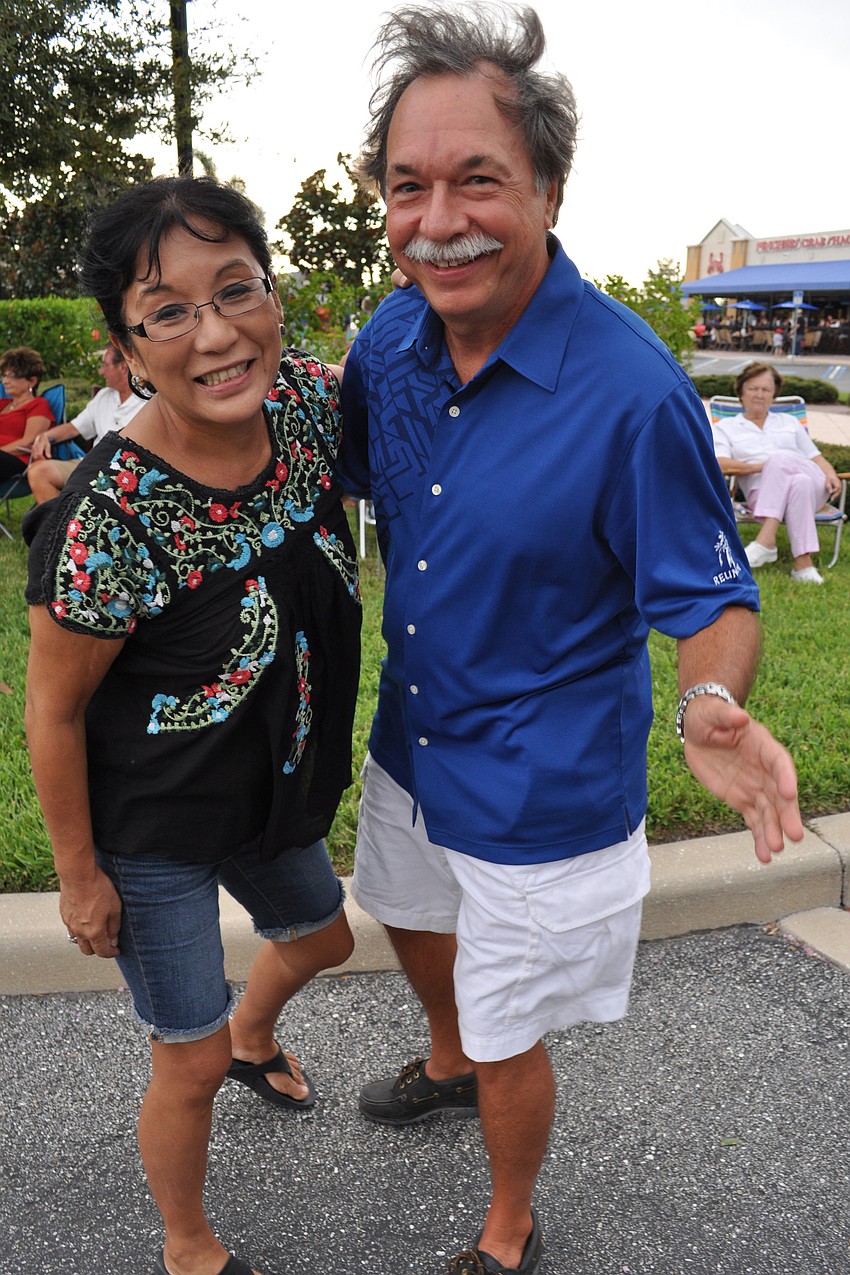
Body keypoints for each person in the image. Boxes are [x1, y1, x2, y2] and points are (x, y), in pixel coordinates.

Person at [337, 7, 803, 1274]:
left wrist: (709, 703)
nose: (439, 220)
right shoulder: (389, 336)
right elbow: (330, 480)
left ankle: (508, 1224)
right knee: (406, 914)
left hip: (542, 781)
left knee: (509, 1035)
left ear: (546, 184)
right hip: (418, 735)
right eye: (407, 185)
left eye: (477, 179)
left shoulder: (630, 390)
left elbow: (710, 597)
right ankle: (444, 1057)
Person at [24, 176, 361, 1275]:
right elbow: (55, 706)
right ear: (121, 347)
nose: (215, 334)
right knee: (188, 1059)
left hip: (269, 796)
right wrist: (80, 874)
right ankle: (188, 1244)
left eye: (237, 291)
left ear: (274, 297)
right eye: (169, 310)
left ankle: (257, 1034)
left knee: (323, 937)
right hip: (154, 832)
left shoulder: (308, 408)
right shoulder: (107, 520)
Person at [712, 362, 842, 585]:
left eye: (766, 390)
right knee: (796, 481)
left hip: (815, 488)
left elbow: (815, 457)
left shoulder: (789, 422)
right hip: (761, 494)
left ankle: (766, 540)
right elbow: (721, 463)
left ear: (774, 395)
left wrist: (831, 474)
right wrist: (765, 466)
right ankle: (803, 566)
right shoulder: (726, 427)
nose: (759, 395)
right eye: (753, 388)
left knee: (788, 466)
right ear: (741, 391)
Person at [26, 343, 144, 502]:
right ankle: (60, 525)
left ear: (123, 367)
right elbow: (73, 428)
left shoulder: (147, 402)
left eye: (105, 365)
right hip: (91, 467)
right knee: (38, 472)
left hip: (126, 474)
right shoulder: (103, 396)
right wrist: (45, 436)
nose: (101, 372)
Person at [0, 345, 55, 482]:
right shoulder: (3, 404)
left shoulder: (38, 405)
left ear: (32, 381)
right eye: (4, 375)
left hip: (17, 462)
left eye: (11, 376)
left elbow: (28, 442)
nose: (4, 381)